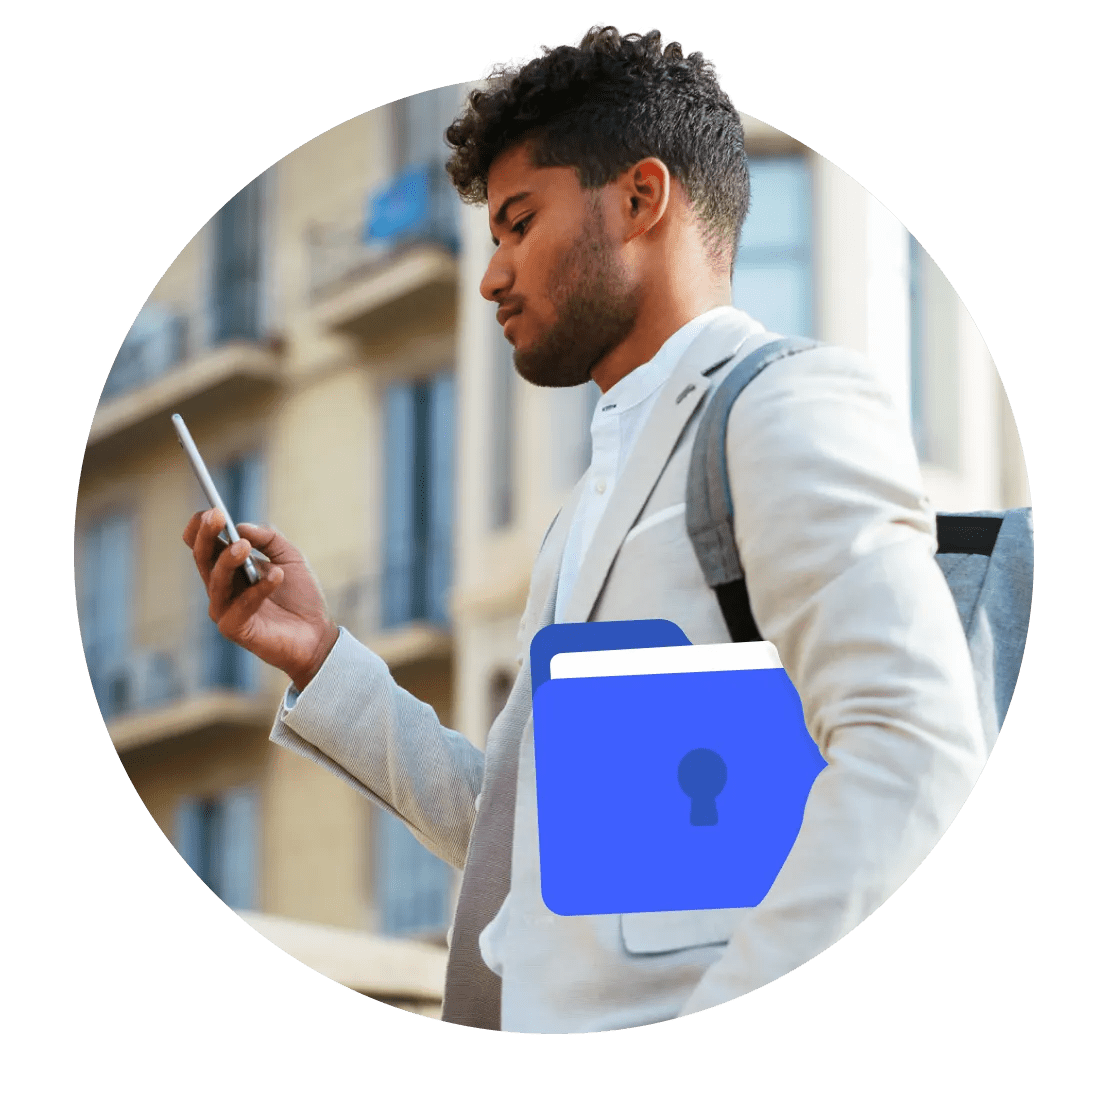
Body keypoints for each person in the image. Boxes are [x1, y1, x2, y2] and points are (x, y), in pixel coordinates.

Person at [183, 24, 986, 1033]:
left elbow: (913, 746)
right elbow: (525, 833)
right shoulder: (587, 508)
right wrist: (319, 658)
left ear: (642, 199)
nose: (491, 276)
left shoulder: (784, 406)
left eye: (520, 223)